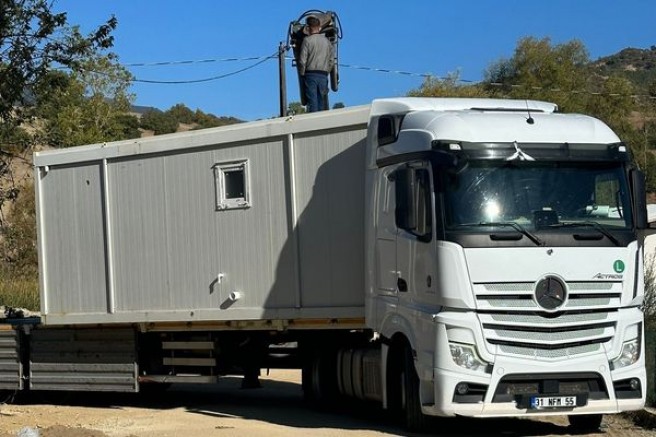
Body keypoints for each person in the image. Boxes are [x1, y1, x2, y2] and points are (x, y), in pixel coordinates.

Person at [298, 16, 334, 113]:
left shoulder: (307, 41)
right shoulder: (327, 42)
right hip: (323, 75)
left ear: (309, 28)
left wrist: (302, 74)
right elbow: (331, 61)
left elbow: (302, 61)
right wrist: (326, 72)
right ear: (319, 27)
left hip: (310, 75)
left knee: (312, 103)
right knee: (322, 102)